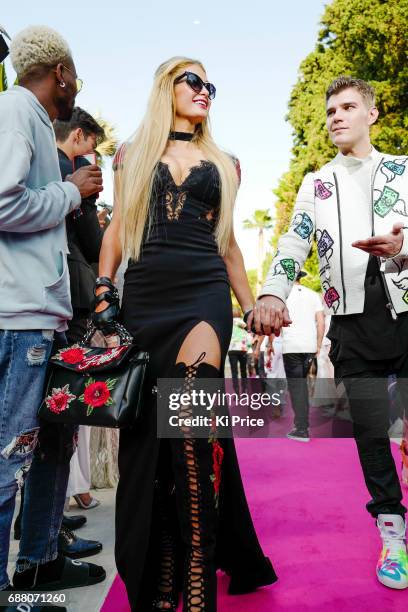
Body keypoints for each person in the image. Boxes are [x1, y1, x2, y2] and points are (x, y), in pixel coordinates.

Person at [93, 56, 277, 610]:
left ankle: (198, 576)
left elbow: (229, 245)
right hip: (146, 300)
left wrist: (249, 307)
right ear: (165, 87)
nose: (203, 91)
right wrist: (104, 293)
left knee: (193, 440)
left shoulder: (226, 161)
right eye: (192, 80)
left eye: (210, 85)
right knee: (151, 444)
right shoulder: (132, 153)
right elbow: (119, 229)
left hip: (202, 299)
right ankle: (163, 566)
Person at [252, 76, 408, 589]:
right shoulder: (316, 184)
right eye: (331, 110)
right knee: (368, 430)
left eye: (347, 107)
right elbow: (294, 247)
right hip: (352, 326)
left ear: (372, 114)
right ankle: (392, 531)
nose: (337, 116)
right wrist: (273, 293)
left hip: (406, 312)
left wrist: (402, 252)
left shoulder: (404, 171)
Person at [0, 25, 105, 594]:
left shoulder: (33, 120)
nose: (73, 89)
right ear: (60, 72)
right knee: (12, 456)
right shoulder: (15, 111)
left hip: (42, 313)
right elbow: (2, 201)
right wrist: (71, 192)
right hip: (18, 317)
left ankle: (39, 564)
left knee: (51, 441)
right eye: (74, 77)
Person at [54, 107, 105, 511]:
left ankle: (49, 521)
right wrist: (85, 201)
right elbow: (90, 244)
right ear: (79, 137)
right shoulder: (64, 171)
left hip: (51, 300)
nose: (91, 157)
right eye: (91, 146)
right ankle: (51, 521)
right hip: (68, 301)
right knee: (67, 407)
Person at [280, 271, 324, 442]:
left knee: (297, 387)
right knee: (302, 385)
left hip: (291, 345)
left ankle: (301, 428)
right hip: (309, 346)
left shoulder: (283, 295)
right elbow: (320, 322)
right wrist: (318, 345)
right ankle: (302, 425)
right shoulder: (313, 295)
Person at [228, 308, 249, 393]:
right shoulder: (243, 322)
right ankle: (244, 390)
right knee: (243, 370)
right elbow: (249, 331)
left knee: (234, 372)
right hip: (242, 349)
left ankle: (236, 391)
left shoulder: (228, 323)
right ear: (239, 314)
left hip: (232, 350)